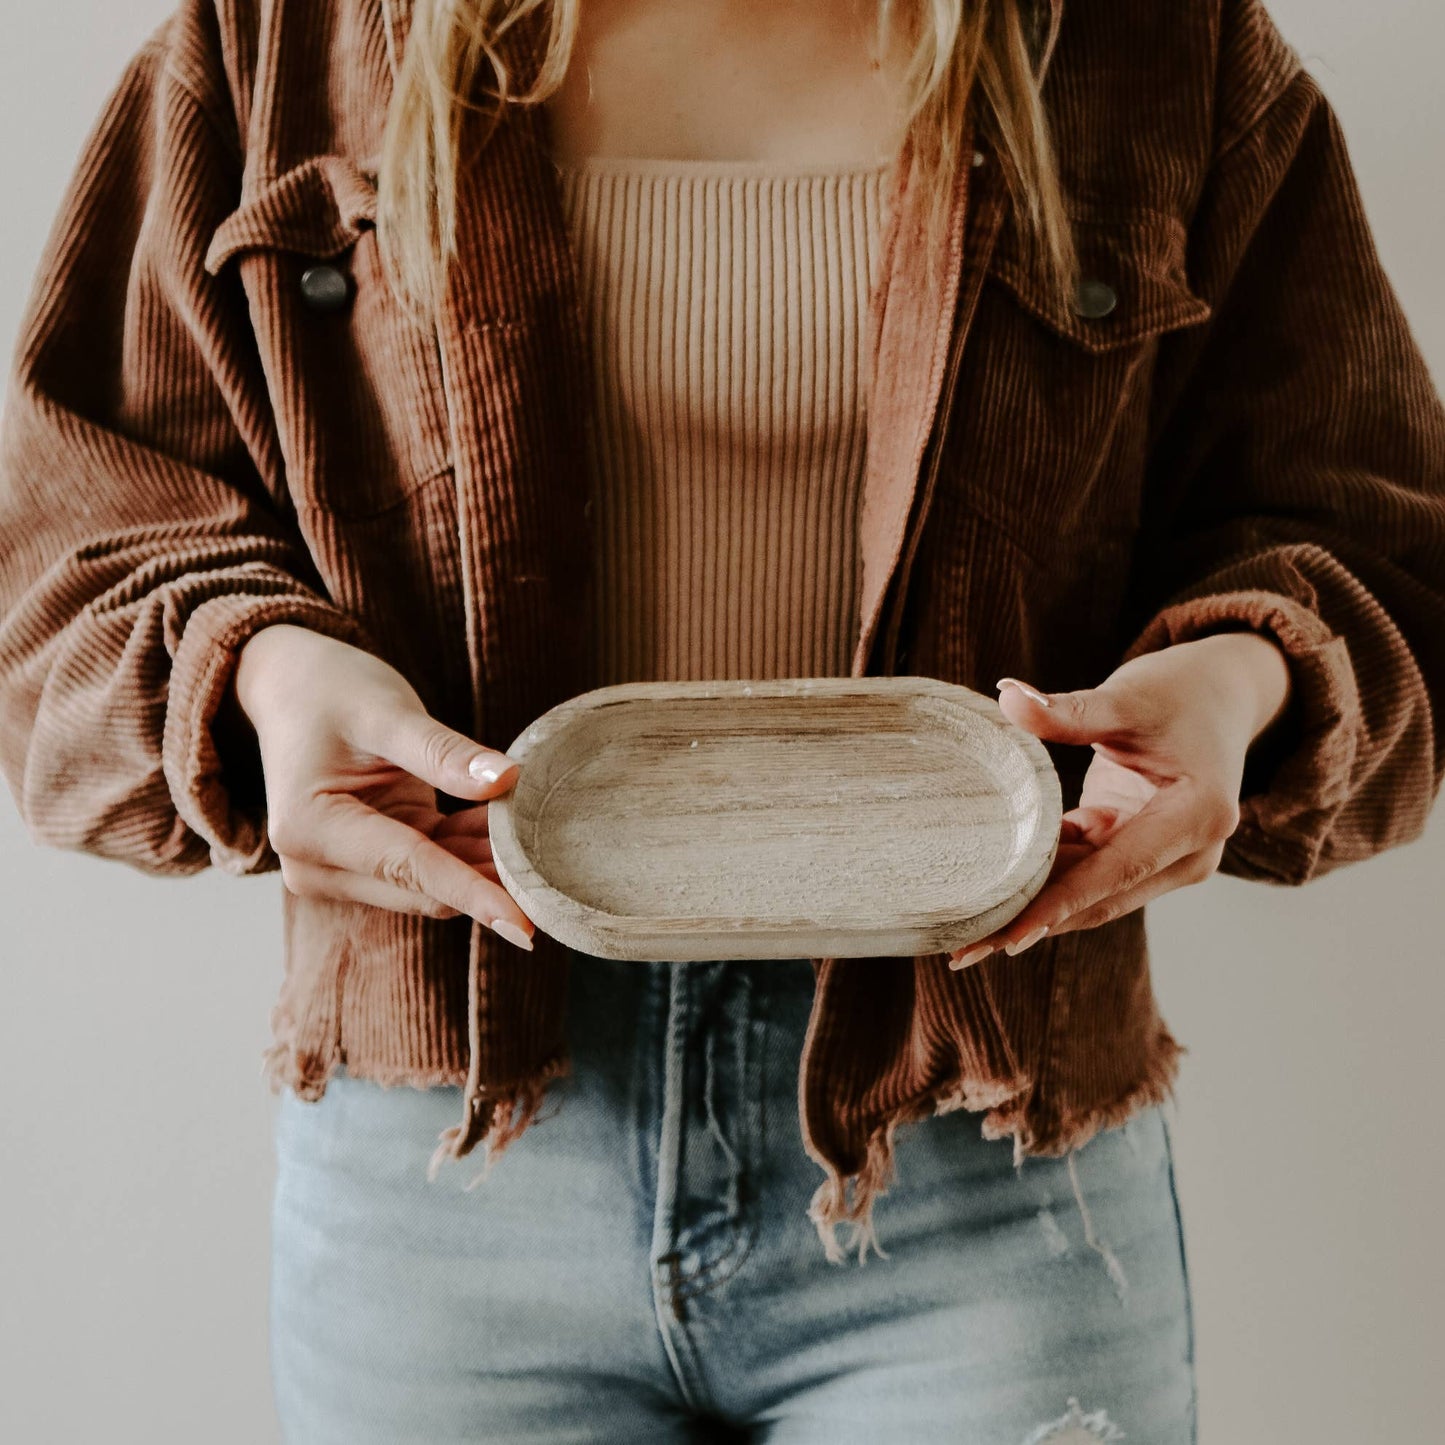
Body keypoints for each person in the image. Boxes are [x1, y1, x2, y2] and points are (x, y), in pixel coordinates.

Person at [1, 0, 1441, 1440]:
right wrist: (263, 675)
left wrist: (1243, 677)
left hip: (976, 1145)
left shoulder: (1152, 46)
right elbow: (67, 556)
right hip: (448, 1150)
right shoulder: (278, 43)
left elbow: (1370, 544)